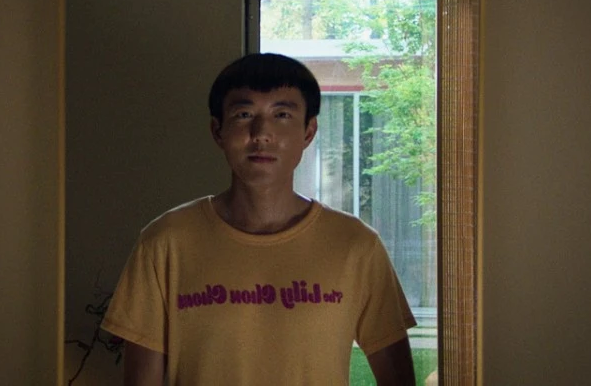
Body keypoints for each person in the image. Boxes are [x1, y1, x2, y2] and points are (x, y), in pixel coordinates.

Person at [102, 53, 416, 385]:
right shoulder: (164, 243)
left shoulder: (356, 245)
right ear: (218, 131)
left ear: (308, 131)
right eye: (244, 114)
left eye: (282, 115)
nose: (261, 133)